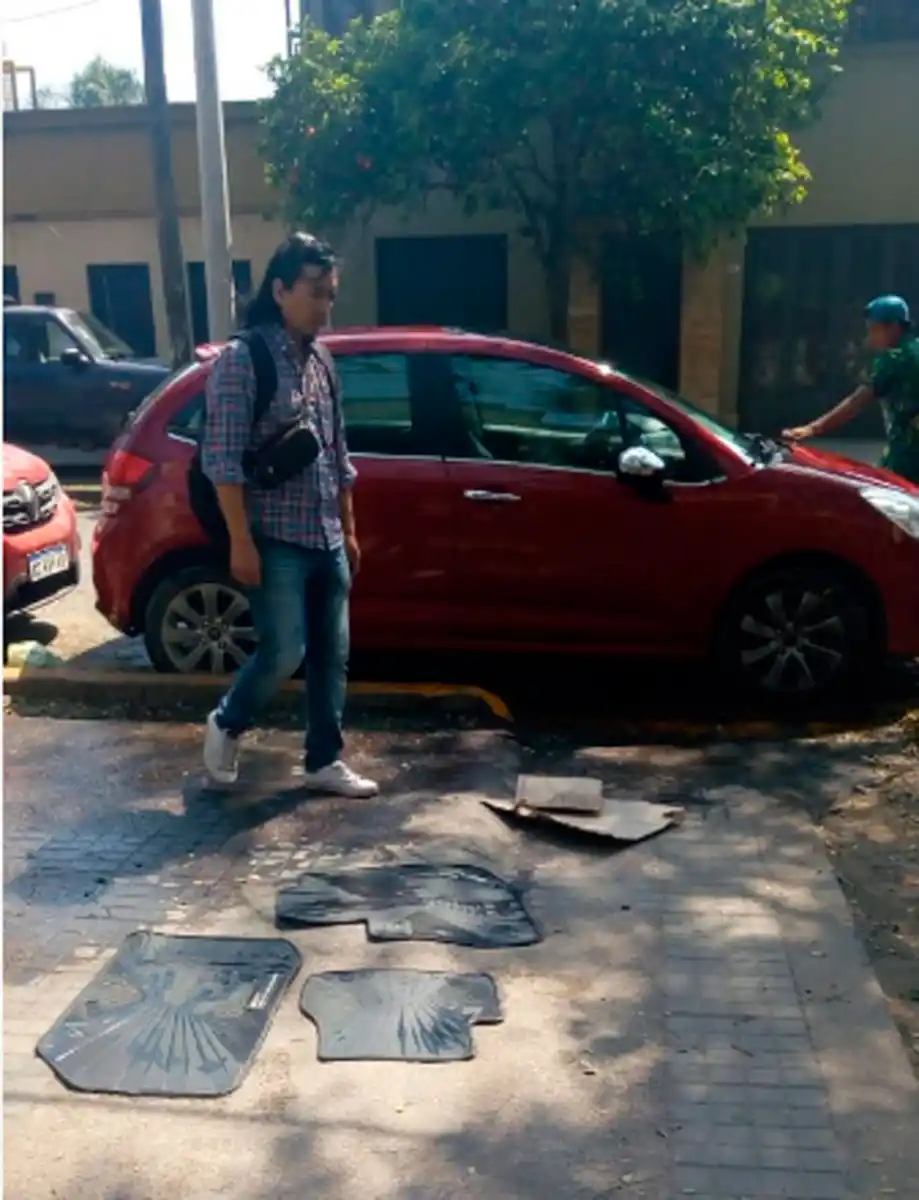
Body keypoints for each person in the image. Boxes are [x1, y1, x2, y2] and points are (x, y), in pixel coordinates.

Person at [199, 232, 378, 797]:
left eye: (331, 294)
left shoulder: (323, 361)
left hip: (325, 531)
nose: (325, 306)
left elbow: (338, 451)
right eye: (315, 293)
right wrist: (239, 541)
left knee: (332, 655)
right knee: (284, 651)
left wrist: (348, 529)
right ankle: (227, 721)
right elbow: (221, 461)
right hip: (273, 536)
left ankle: (324, 760)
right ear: (280, 290)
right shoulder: (243, 360)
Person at [783, 295, 919, 484]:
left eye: (874, 330)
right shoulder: (914, 349)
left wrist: (813, 428)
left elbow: (857, 401)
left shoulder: (895, 359)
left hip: (908, 456)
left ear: (894, 327)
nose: (869, 338)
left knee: (889, 499)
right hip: (907, 447)